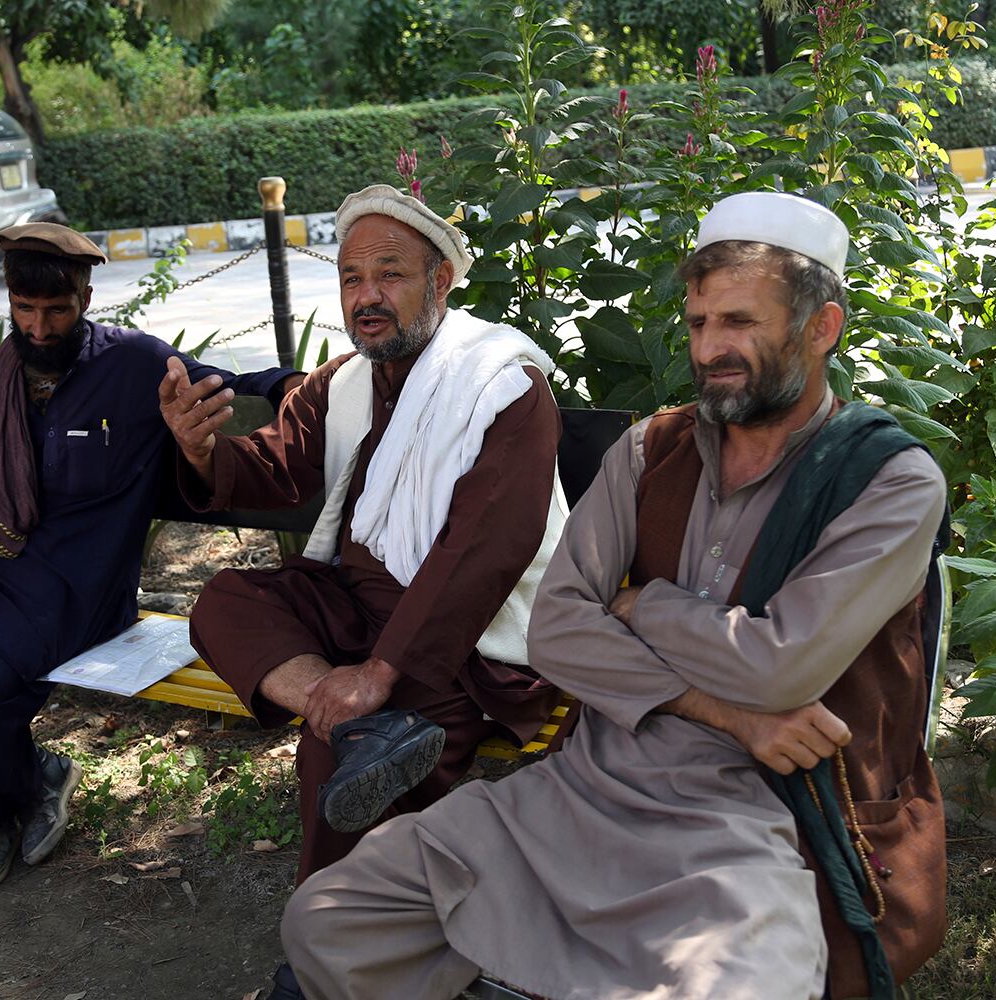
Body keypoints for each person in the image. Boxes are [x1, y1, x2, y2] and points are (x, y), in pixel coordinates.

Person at [280, 191, 951, 1000]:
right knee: (331, 915)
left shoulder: (889, 481)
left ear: (821, 329)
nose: (712, 350)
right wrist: (727, 709)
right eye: (700, 324)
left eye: (741, 323)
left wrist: (640, 605)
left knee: (743, 987)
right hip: (585, 787)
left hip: (754, 819)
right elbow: (557, 632)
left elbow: (781, 669)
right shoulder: (650, 451)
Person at [160, 185, 565, 1000]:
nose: (366, 296)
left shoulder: (502, 384)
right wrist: (203, 453)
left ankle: (324, 968)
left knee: (330, 748)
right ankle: (364, 748)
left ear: (441, 282)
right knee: (225, 601)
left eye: (390, 274)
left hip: (463, 642)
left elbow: (480, 557)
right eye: (350, 277)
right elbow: (275, 465)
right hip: (350, 610)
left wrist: (382, 673)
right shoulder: (344, 382)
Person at [0, 222, 300, 900]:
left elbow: (230, 383)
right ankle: (29, 775)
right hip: (1, 574)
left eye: (56, 310)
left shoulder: (132, 366)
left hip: (82, 590)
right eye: (24, 309)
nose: (38, 327)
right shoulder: (4, 367)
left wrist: (306, 382)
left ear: (86, 297)